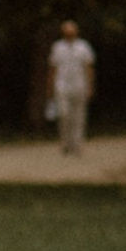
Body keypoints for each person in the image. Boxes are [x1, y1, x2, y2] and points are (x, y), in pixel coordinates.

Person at [47, 20, 97, 160]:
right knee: (64, 114)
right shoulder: (57, 47)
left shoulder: (83, 47)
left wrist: (90, 86)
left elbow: (89, 68)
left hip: (79, 85)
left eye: (72, 31)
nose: (69, 33)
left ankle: (77, 144)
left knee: (79, 116)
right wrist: (49, 88)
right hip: (62, 85)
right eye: (67, 31)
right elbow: (53, 68)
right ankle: (65, 143)